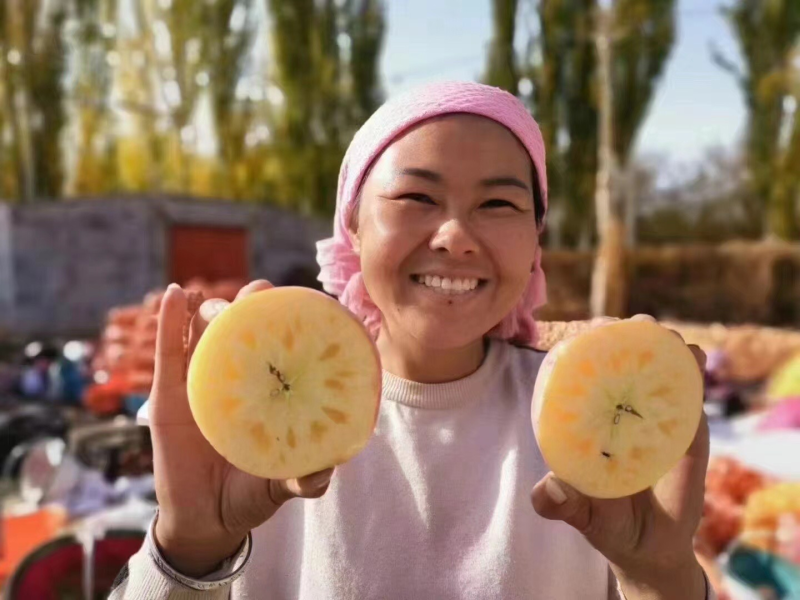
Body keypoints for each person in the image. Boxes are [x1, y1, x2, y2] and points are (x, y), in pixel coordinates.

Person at [111, 81, 715, 599]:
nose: (455, 235)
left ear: (536, 239)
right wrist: (185, 554)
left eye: (499, 203)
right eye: (416, 197)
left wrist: (660, 578)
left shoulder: (596, 433)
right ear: (351, 222)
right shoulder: (248, 439)